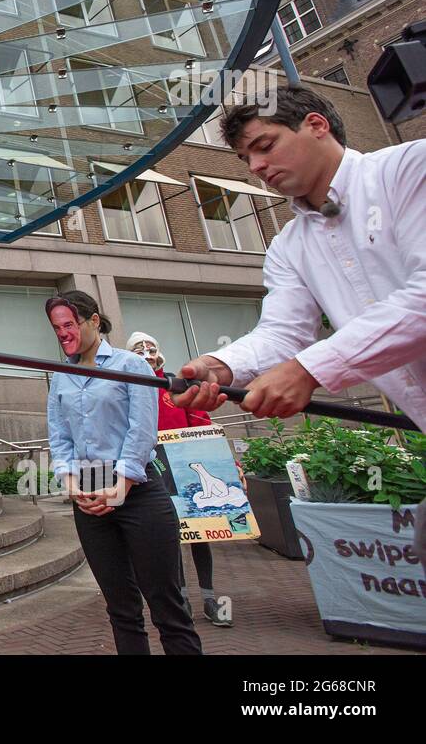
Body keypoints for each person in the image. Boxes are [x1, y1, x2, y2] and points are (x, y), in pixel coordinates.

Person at [170, 87, 424, 544]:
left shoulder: (409, 168)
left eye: (265, 147)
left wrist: (310, 369)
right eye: (246, 159)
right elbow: (282, 334)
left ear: (317, 125)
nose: (257, 168)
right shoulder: (288, 247)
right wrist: (221, 366)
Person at [46, 292, 202, 654]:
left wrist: (120, 487)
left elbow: (142, 431)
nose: (63, 334)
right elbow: (60, 438)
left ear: (94, 321)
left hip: (138, 490)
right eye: (56, 328)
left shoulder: (131, 365)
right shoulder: (61, 375)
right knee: (121, 610)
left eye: (70, 324)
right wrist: (73, 487)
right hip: (88, 493)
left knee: (169, 607)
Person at [127, 331, 235, 628]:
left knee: (201, 533)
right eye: (139, 351)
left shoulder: (177, 385)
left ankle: (210, 597)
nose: (146, 355)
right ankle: (182, 596)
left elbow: (202, 424)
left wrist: (228, 465)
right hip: (155, 470)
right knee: (171, 536)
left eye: (150, 350)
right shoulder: (130, 391)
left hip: (188, 466)